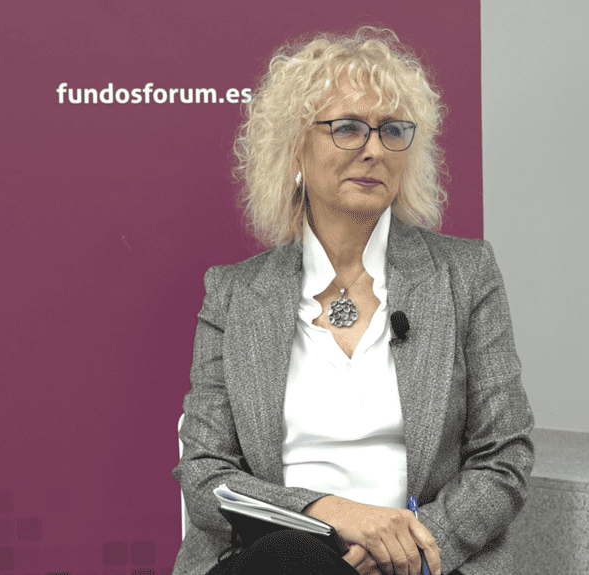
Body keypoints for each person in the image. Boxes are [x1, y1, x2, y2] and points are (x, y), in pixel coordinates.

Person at [172, 27, 534, 575]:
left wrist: (404, 547)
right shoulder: (235, 295)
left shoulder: (465, 274)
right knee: (293, 561)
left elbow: (504, 457)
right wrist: (332, 516)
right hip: (275, 558)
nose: (374, 148)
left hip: (420, 563)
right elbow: (205, 474)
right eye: (346, 128)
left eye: (392, 130)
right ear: (295, 148)